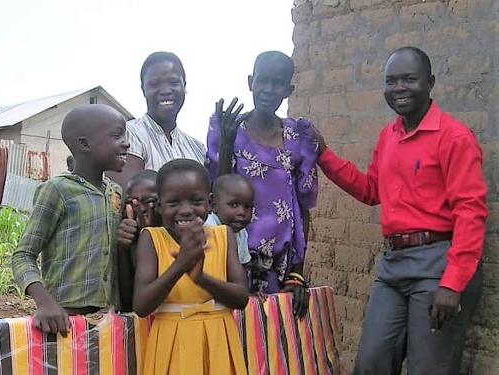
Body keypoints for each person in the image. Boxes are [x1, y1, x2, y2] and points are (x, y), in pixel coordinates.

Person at [312, 47, 487, 375]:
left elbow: (470, 212)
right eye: (391, 81)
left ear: (430, 82)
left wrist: (452, 284)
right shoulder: (388, 136)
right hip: (393, 268)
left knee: (428, 369)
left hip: (438, 265)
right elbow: (370, 190)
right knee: (371, 363)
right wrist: (324, 155)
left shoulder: (454, 137)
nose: (399, 88)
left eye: (409, 79)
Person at [205, 51, 319, 318]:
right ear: (250, 82)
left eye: (277, 83)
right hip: (233, 264)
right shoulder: (228, 127)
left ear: (288, 89)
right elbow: (216, 196)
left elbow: (303, 209)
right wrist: (226, 142)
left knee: (275, 347)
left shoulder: (297, 136)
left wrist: (296, 274)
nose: (269, 89)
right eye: (262, 80)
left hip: (280, 268)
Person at [11, 104, 131, 336]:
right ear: (84, 144)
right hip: (63, 320)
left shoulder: (115, 192)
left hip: (109, 322)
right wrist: (45, 302)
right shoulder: (58, 190)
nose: (126, 142)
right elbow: (23, 256)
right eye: (117, 136)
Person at [133, 159, 249, 375]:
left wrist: (201, 278)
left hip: (217, 342)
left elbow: (241, 298)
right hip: (172, 343)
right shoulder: (151, 239)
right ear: (159, 205)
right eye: (173, 202)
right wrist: (179, 266)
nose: (186, 210)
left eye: (196, 201)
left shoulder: (224, 236)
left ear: (210, 203)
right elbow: (141, 305)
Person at [107, 51, 206, 189]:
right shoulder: (129, 134)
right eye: (154, 84)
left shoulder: (197, 148)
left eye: (174, 82)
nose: (165, 90)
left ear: (184, 86)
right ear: (143, 89)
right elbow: (129, 198)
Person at [116, 169, 161, 311]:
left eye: (149, 201)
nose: (140, 208)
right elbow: (128, 302)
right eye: (131, 202)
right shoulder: (126, 234)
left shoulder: (176, 233)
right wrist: (123, 249)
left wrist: (150, 235)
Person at [205, 173, 254, 266]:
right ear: (213, 204)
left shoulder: (242, 234)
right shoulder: (208, 229)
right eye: (234, 205)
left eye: (248, 206)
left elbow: (242, 265)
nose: (242, 212)